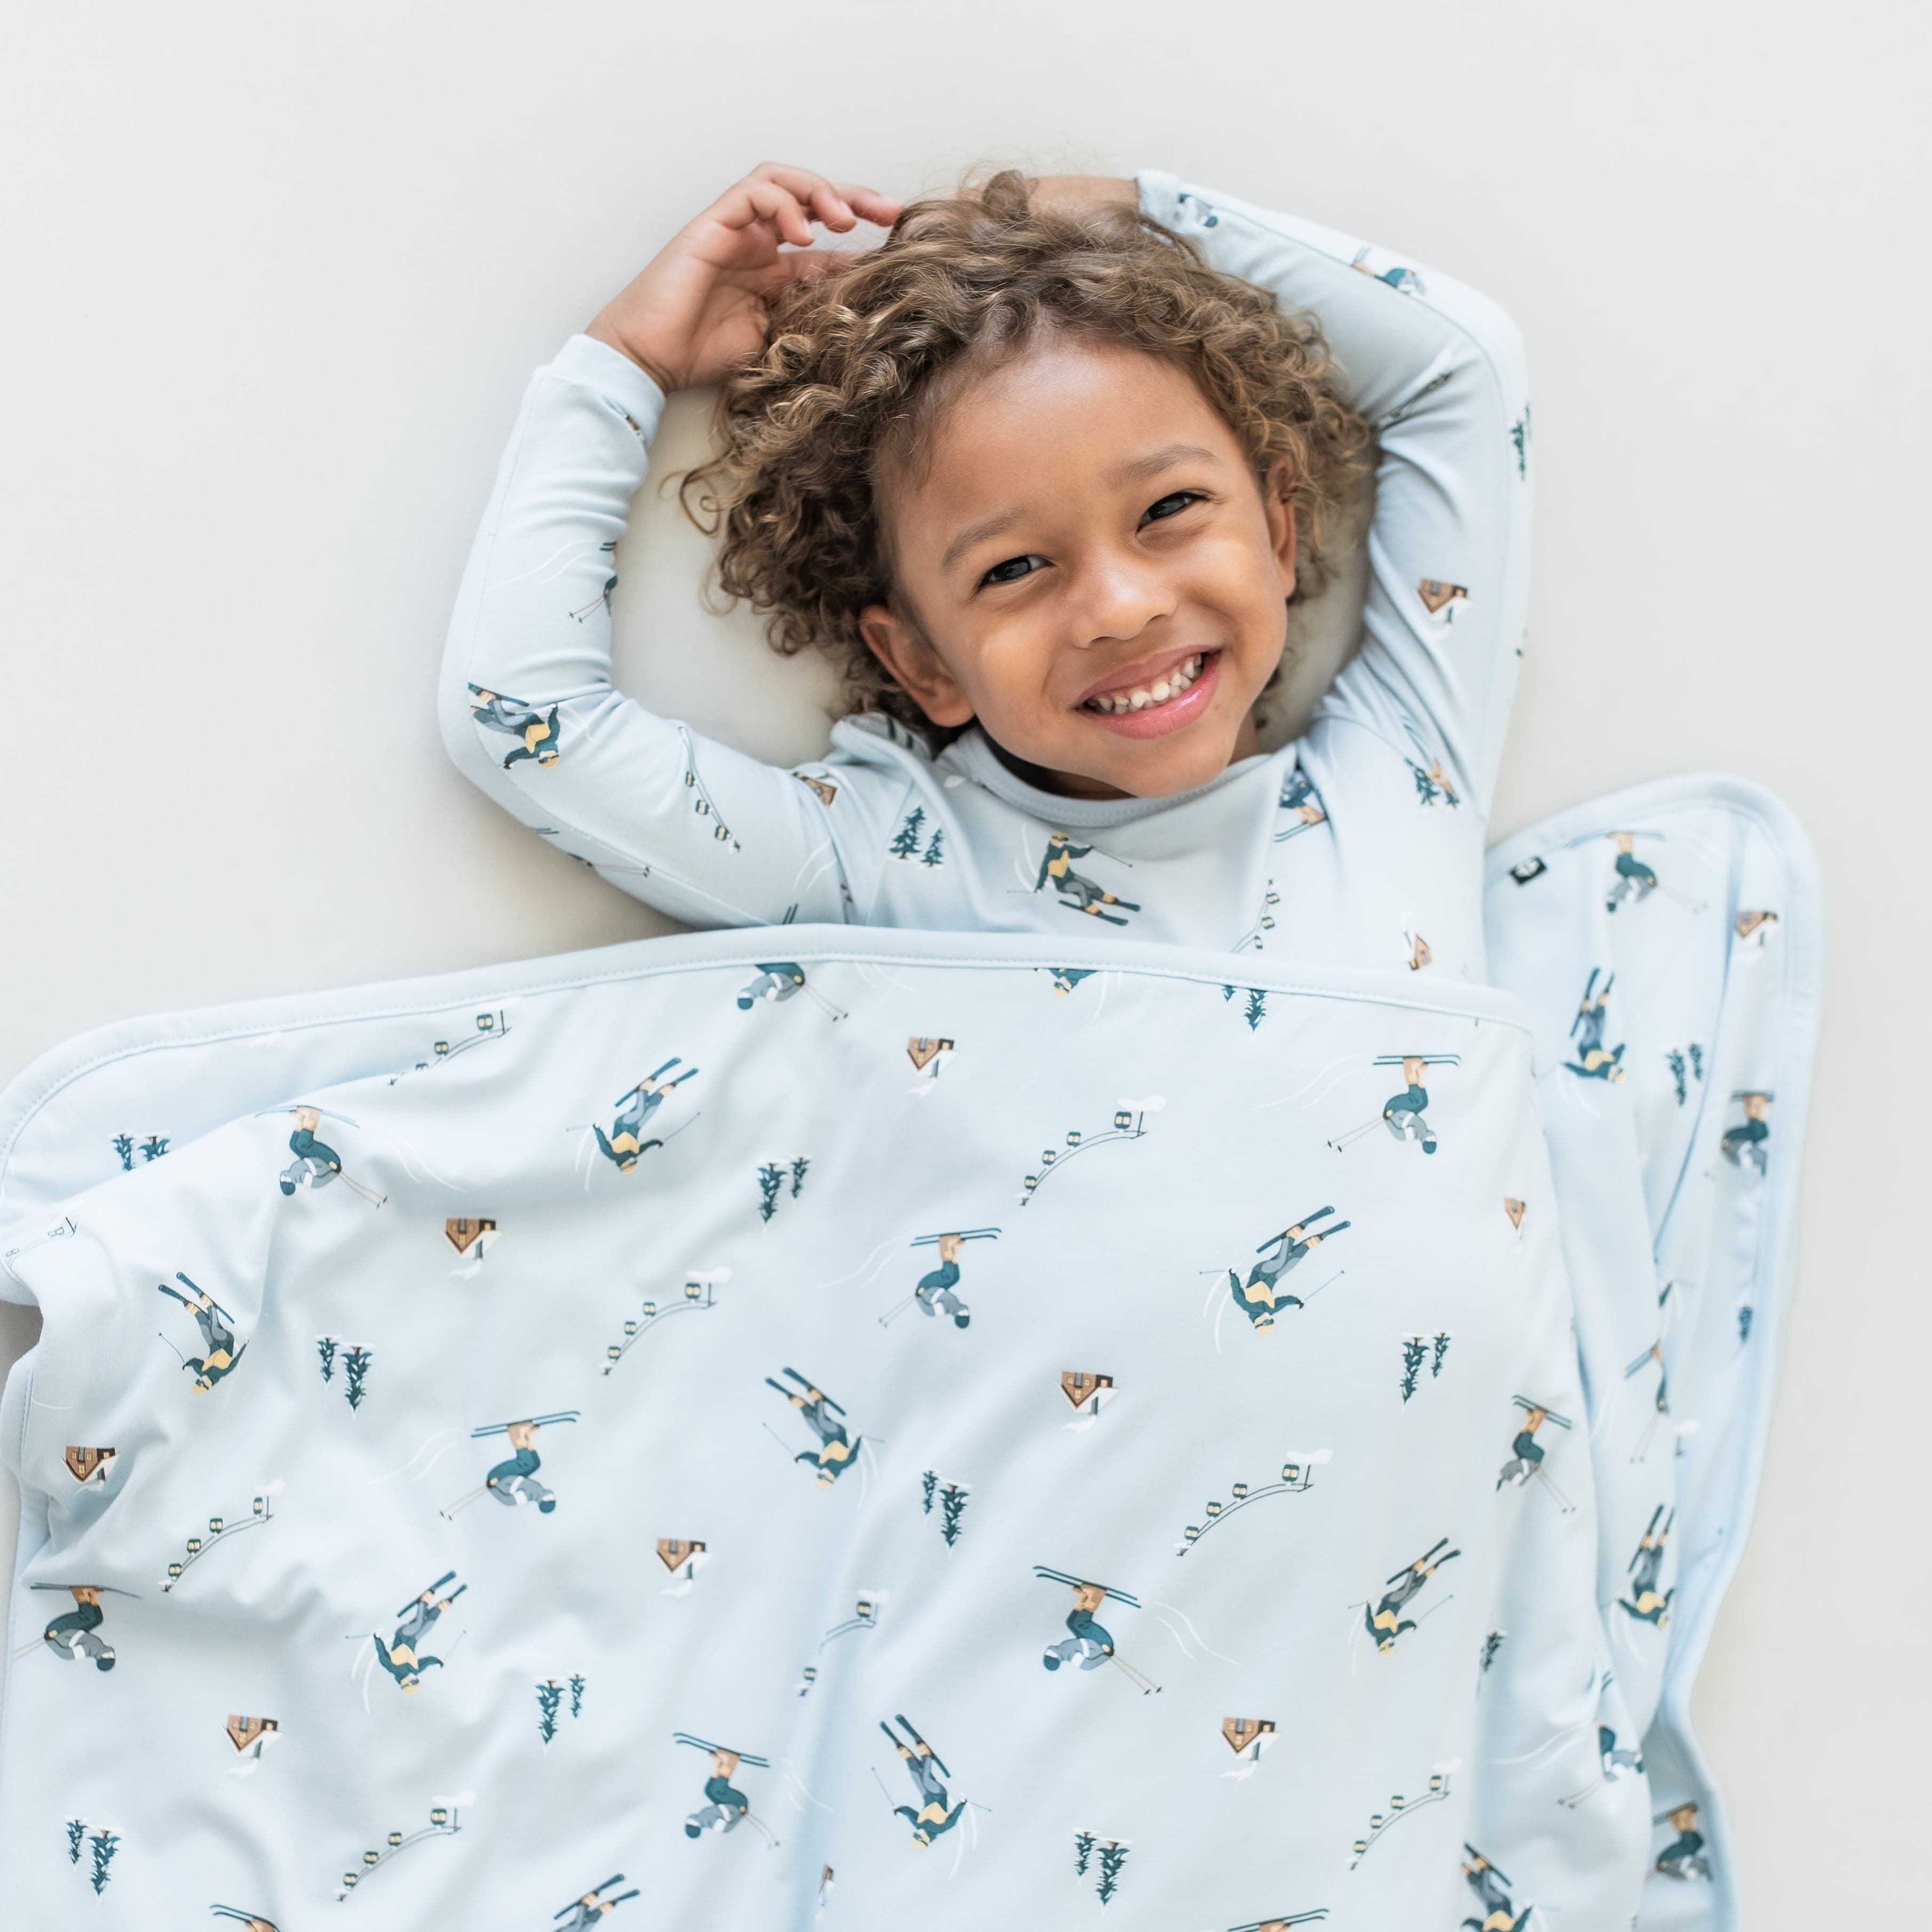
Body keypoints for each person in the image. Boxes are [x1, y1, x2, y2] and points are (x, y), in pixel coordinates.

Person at [440, 162, 1528, 984]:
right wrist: (622, 366)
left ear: (1280, 537)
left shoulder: (1402, 771)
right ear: (920, 662)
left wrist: (1081, 213)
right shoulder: (890, 865)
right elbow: (523, 718)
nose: (1123, 606)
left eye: (1169, 509)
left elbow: (1460, 368)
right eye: (1013, 568)